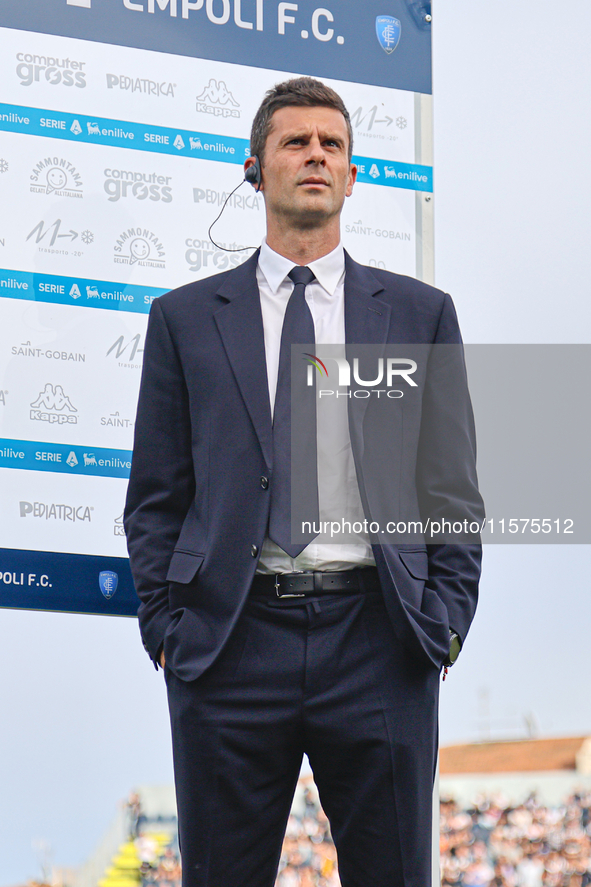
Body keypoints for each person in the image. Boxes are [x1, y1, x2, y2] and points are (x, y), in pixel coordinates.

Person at [124, 76, 484, 887]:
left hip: (380, 639)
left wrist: (444, 624)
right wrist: (166, 630)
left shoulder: (419, 315)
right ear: (256, 168)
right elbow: (155, 494)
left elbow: (451, 487)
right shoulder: (184, 319)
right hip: (228, 640)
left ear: (352, 175)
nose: (315, 155)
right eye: (295, 142)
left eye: (332, 144)